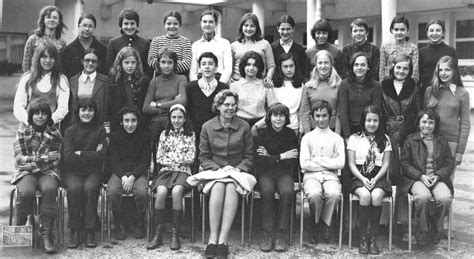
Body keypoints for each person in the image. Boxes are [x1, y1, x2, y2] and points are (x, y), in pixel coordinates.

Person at [186, 90, 255, 258]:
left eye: (233, 105)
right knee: (218, 187)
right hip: (213, 171)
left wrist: (237, 169)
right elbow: (203, 156)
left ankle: (223, 240)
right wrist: (218, 169)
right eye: (226, 105)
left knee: (231, 187)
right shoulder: (207, 127)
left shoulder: (244, 126)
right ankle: (212, 238)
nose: (230, 108)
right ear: (218, 106)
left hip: (237, 171)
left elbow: (249, 156)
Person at [12, 99, 62, 254]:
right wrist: (43, 158)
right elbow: (20, 160)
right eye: (36, 113)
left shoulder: (55, 134)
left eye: (44, 113)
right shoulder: (22, 133)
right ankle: (23, 224)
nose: (40, 116)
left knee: (50, 188)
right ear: (30, 115)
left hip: (47, 172)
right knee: (26, 191)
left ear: (48, 115)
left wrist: (34, 161)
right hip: (26, 173)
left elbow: (56, 161)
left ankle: (46, 232)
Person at [399, 108, 454, 245]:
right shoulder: (410, 140)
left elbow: (449, 163)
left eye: (431, 122)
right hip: (417, 179)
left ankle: (436, 227)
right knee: (422, 197)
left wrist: (439, 175)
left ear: (435, 125)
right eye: (424, 122)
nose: (427, 126)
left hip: (437, 178)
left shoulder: (441, 141)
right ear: (418, 123)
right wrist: (420, 176)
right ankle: (422, 230)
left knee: (445, 197)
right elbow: (404, 164)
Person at [147, 104, 195, 250]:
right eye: (173, 117)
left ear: (185, 118)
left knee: (176, 192)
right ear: (170, 118)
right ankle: (158, 234)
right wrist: (178, 158)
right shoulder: (164, 134)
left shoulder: (190, 134)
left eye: (180, 117)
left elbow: (191, 157)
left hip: (183, 171)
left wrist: (173, 158)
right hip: (166, 171)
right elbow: (160, 157)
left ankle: (175, 234)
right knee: (161, 192)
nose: (176, 120)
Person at [347, 105, 391, 255]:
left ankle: (374, 238)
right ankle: (363, 238)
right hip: (359, 175)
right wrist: (363, 178)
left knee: (376, 196)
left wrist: (376, 178)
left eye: (375, 120)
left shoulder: (385, 139)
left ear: (380, 122)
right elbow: (351, 164)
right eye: (369, 120)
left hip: (378, 176)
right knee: (365, 195)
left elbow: (385, 164)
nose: (372, 124)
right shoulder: (354, 138)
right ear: (363, 121)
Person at [63, 98, 107, 249]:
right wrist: (90, 155)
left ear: (95, 112)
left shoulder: (100, 131)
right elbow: (68, 157)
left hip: (93, 172)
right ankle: (74, 230)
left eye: (90, 110)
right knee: (74, 189)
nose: (87, 113)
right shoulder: (70, 131)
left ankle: (90, 230)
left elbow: (102, 155)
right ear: (78, 111)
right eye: (84, 109)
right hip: (73, 172)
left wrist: (80, 153)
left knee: (89, 189)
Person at [255, 103, 298, 252]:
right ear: (269, 117)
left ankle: (281, 232)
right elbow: (260, 161)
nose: (278, 119)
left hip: (284, 173)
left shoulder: (291, 134)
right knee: (266, 191)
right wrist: (281, 156)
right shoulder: (262, 134)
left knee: (287, 192)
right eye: (275, 115)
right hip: (265, 173)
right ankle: (267, 232)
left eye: (281, 115)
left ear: (286, 118)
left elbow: (293, 160)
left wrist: (270, 156)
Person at [300, 100, 345, 244]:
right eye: (317, 116)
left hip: (331, 176)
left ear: (330, 116)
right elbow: (304, 164)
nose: (321, 119)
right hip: (311, 176)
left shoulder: (336, 138)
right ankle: (314, 222)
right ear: (313, 117)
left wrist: (317, 161)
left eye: (324, 115)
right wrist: (327, 163)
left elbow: (340, 163)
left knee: (333, 193)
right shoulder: (307, 138)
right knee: (314, 194)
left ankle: (324, 224)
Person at [107, 106, 150, 241]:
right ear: (121, 122)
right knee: (113, 191)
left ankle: (139, 222)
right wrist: (123, 176)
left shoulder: (144, 137)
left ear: (138, 121)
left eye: (133, 120)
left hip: (137, 173)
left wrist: (132, 177)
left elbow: (145, 161)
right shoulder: (115, 137)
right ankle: (118, 223)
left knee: (142, 192)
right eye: (126, 121)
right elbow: (113, 160)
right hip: (119, 173)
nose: (130, 124)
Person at [424, 55, 470, 178]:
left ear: (454, 71)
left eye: (447, 70)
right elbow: (424, 119)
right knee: (429, 180)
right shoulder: (430, 91)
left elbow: (465, 124)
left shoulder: (462, 94)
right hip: (431, 141)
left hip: (451, 143)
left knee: (446, 183)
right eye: (441, 70)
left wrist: (460, 151)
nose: (443, 73)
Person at [381, 54, 420, 184]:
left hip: (408, 131)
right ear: (393, 68)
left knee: (407, 166)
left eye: (405, 68)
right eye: (398, 67)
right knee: (390, 167)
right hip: (388, 130)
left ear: (410, 70)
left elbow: (417, 111)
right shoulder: (384, 86)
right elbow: (380, 110)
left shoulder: (414, 87)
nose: (401, 71)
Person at [14, 41, 70, 129]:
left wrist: (50, 121)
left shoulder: (61, 80)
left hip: (50, 128)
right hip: (28, 127)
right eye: (44, 57)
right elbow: (18, 106)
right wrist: (29, 121)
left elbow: (63, 107)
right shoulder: (27, 78)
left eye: (51, 57)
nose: (48, 61)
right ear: (38, 58)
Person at [143, 48, 187, 141]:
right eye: (163, 62)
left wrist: (158, 105)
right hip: (156, 122)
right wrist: (173, 102)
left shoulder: (181, 79)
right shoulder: (154, 81)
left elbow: (183, 102)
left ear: (174, 64)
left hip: (174, 121)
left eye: (170, 62)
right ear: (158, 63)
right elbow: (146, 108)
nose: (166, 66)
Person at [186, 52, 229, 144]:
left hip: (217, 132)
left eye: (210, 64)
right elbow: (188, 110)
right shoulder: (190, 87)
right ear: (200, 68)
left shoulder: (224, 88)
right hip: (196, 132)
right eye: (203, 64)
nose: (207, 67)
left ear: (216, 68)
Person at [339, 52, 382, 140]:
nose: (359, 68)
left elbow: (376, 112)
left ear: (368, 67)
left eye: (363, 65)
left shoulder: (376, 85)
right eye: (356, 65)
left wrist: (370, 135)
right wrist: (347, 136)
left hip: (369, 129)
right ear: (352, 67)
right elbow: (343, 112)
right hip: (349, 129)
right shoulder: (345, 84)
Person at [65, 48, 110, 132]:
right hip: (77, 126)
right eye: (87, 60)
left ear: (98, 63)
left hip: (97, 126)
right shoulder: (73, 80)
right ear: (82, 61)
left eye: (94, 61)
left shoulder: (105, 81)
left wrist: (106, 129)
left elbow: (107, 108)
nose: (90, 63)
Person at [109, 46, 150, 132]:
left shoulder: (144, 80)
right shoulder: (113, 80)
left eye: (133, 62)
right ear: (120, 63)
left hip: (139, 125)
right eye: (126, 62)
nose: (130, 66)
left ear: (137, 63)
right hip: (118, 124)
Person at [300, 50, 342, 135]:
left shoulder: (339, 85)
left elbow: (340, 112)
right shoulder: (308, 86)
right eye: (320, 63)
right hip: (313, 130)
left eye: (326, 63)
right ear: (316, 65)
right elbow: (304, 112)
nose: (323, 66)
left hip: (333, 130)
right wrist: (308, 134)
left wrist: (337, 134)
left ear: (331, 65)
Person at [229, 51, 275, 127]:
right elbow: (231, 109)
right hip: (239, 124)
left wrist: (259, 125)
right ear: (243, 66)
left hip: (261, 125)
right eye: (248, 65)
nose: (251, 68)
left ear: (259, 67)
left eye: (255, 65)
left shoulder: (265, 86)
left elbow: (273, 109)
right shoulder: (234, 86)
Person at [419, 19, 460, 100]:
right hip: (426, 94)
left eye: (438, 30)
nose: (434, 33)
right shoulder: (421, 52)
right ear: (427, 33)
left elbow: (455, 75)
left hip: (446, 93)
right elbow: (419, 76)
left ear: (443, 33)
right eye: (431, 30)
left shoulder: (450, 51)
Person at [231, 13, 275, 87]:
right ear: (241, 27)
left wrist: (268, 78)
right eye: (246, 25)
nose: (248, 29)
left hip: (259, 84)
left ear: (257, 28)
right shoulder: (233, 45)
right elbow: (229, 67)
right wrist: (229, 78)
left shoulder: (265, 44)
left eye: (252, 26)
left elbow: (271, 66)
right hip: (238, 83)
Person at [189, 10, 232, 83]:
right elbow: (193, 70)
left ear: (216, 23)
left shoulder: (225, 43)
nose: (207, 24)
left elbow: (228, 68)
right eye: (204, 22)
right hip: (200, 82)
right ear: (201, 23)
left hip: (219, 80)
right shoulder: (195, 45)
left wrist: (220, 85)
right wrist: (196, 86)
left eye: (211, 22)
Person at [106, 9, 152, 77]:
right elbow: (109, 67)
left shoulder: (145, 43)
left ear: (137, 25)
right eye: (126, 23)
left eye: (132, 23)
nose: (129, 27)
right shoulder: (113, 43)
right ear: (121, 25)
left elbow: (148, 70)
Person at [22, 5, 67, 73]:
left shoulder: (62, 43)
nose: (52, 20)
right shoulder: (33, 40)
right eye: (48, 17)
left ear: (59, 21)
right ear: (43, 20)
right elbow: (26, 65)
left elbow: (60, 65)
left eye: (55, 18)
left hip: (53, 79)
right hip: (35, 78)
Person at [62, 13, 107, 78]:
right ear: (78, 26)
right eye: (84, 25)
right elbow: (66, 72)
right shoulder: (69, 49)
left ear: (94, 28)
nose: (87, 29)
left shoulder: (102, 49)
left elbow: (104, 71)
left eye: (90, 26)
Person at [147, 11, 192, 77]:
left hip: (178, 79)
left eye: (175, 24)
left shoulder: (185, 42)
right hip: (160, 78)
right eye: (168, 23)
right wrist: (164, 68)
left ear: (180, 24)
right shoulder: (156, 40)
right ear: (164, 25)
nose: (172, 26)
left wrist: (168, 68)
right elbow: (151, 60)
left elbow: (186, 63)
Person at [379, 16, 419, 82]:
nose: (399, 32)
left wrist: (411, 85)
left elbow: (415, 71)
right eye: (396, 29)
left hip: (407, 84)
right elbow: (382, 70)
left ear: (407, 31)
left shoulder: (413, 48)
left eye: (402, 30)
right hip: (389, 84)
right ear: (392, 30)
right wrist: (383, 85)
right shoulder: (385, 47)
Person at [271, 15, 310, 80]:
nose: (285, 32)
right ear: (278, 29)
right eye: (282, 29)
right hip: (276, 86)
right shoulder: (272, 48)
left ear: (293, 29)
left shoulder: (300, 49)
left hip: (296, 86)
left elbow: (305, 71)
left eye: (288, 29)